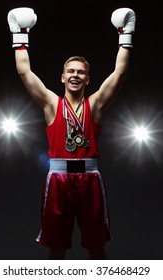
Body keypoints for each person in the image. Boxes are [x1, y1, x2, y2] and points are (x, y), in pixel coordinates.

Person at [7, 7, 136, 260]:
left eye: (81, 72)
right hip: (58, 180)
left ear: (88, 79)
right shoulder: (51, 104)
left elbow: (119, 73)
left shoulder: (95, 104)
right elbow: (25, 72)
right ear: (63, 77)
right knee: (56, 249)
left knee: (97, 247)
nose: (75, 76)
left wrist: (126, 35)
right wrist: (19, 35)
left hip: (90, 180)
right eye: (71, 72)